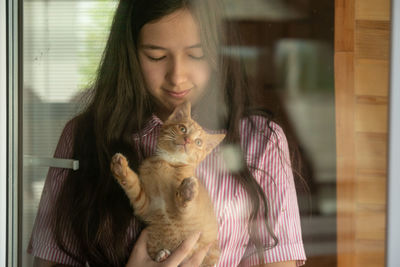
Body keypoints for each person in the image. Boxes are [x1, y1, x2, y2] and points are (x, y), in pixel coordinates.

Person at [28, 0, 306, 266]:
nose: (177, 76)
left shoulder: (261, 139)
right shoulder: (84, 135)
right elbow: (50, 261)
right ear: (129, 54)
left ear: (218, 52)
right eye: (156, 56)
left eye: (196, 54)